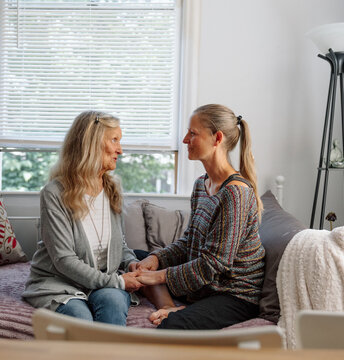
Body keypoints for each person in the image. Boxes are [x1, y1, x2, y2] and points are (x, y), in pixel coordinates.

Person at [135, 104, 265, 330]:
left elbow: (213, 265)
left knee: (170, 327)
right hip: (204, 287)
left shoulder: (235, 193)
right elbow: (189, 242)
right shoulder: (201, 185)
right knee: (136, 258)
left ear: (217, 138)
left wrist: (157, 277)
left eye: (193, 133)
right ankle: (169, 306)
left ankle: (173, 313)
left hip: (233, 294)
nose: (185, 139)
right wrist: (155, 261)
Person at [22, 110, 142, 326]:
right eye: (114, 140)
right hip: (59, 281)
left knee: (113, 305)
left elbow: (119, 244)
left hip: (104, 281)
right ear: (92, 142)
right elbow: (63, 259)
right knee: (80, 319)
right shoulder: (54, 193)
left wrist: (131, 262)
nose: (120, 150)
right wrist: (117, 282)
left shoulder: (112, 188)